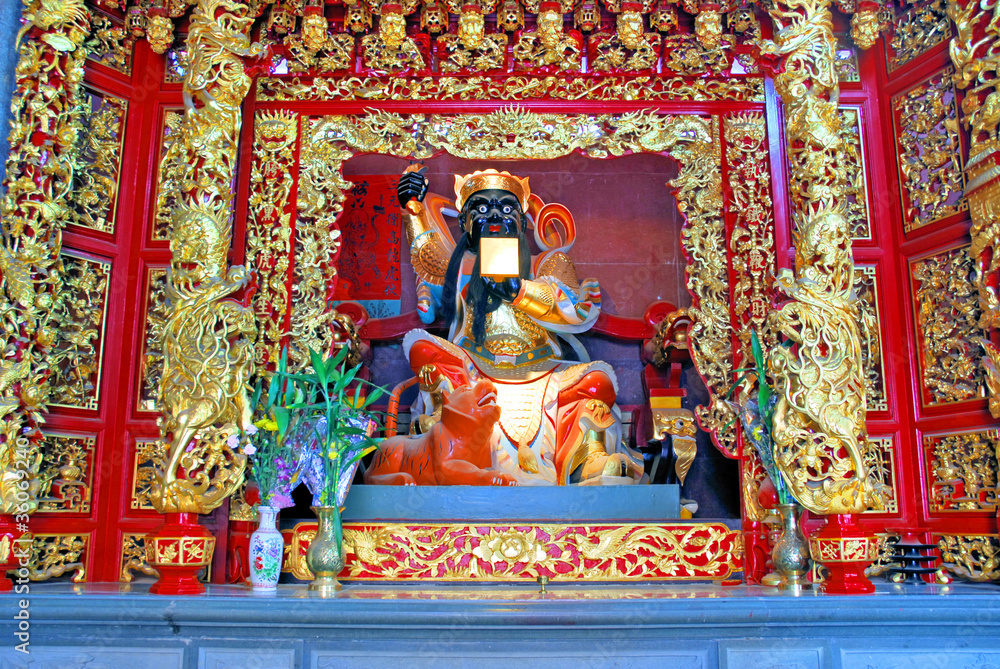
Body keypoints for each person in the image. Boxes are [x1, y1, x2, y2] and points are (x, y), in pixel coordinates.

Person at [396, 166, 644, 485]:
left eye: (506, 208)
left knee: (597, 383)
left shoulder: (548, 263)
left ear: (523, 223)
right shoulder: (460, 268)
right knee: (423, 349)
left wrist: (520, 291)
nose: (494, 215)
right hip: (475, 371)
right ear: (465, 222)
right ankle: (445, 433)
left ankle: (589, 455)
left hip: (540, 369)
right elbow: (428, 257)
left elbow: (575, 310)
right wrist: (414, 209)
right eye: (481, 209)